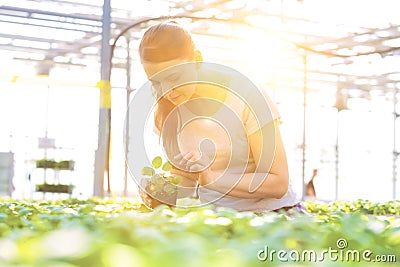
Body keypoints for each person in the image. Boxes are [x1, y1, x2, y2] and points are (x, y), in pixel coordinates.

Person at [138, 21, 304, 213]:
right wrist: (164, 190)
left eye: (174, 78)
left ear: (197, 60)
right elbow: (187, 178)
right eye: (156, 82)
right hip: (216, 216)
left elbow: (278, 182)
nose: (166, 92)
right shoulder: (167, 110)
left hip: (273, 213)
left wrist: (212, 177)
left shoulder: (247, 93)